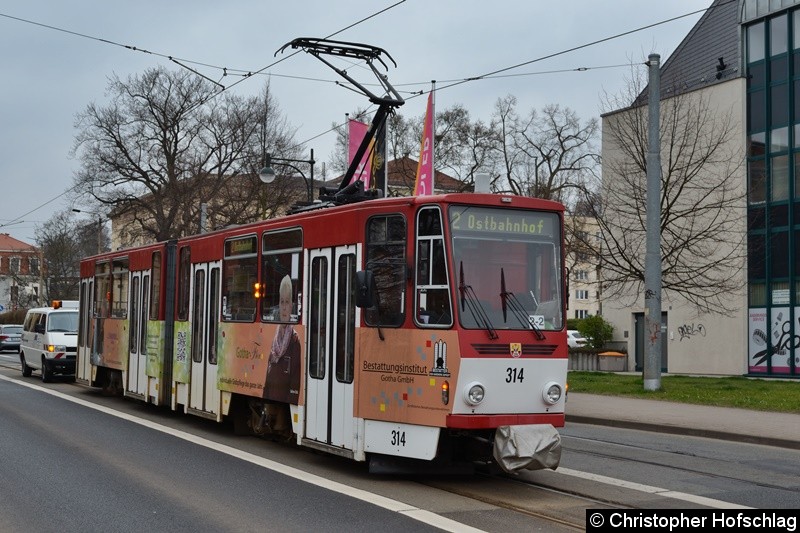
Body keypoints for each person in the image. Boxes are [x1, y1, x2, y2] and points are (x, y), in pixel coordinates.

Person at [264, 275, 301, 403]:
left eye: (287, 302)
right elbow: (267, 377)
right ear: (279, 305)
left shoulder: (294, 340)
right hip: (271, 399)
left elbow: (295, 383)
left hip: (283, 402)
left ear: (291, 306)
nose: (284, 307)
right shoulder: (275, 339)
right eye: (282, 302)